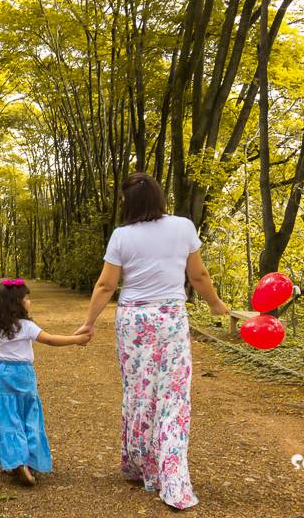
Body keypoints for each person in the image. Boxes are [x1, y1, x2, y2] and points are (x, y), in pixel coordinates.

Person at [74, 173, 230, 510]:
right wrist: (217, 304)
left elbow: (105, 286)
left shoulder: (122, 236)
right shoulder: (184, 227)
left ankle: (139, 465)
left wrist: (89, 323)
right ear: (159, 197)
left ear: (127, 202)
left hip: (133, 319)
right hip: (171, 319)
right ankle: (172, 479)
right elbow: (198, 275)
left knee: (138, 392)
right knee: (173, 396)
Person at [0, 278, 91, 486]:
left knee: (8, 417)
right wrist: (75, 340)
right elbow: (50, 339)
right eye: (25, 298)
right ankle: (27, 461)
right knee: (29, 415)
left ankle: (16, 461)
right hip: (25, 375)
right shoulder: (27, 326)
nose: (29, 302)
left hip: (2, 374)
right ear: (16, 304)